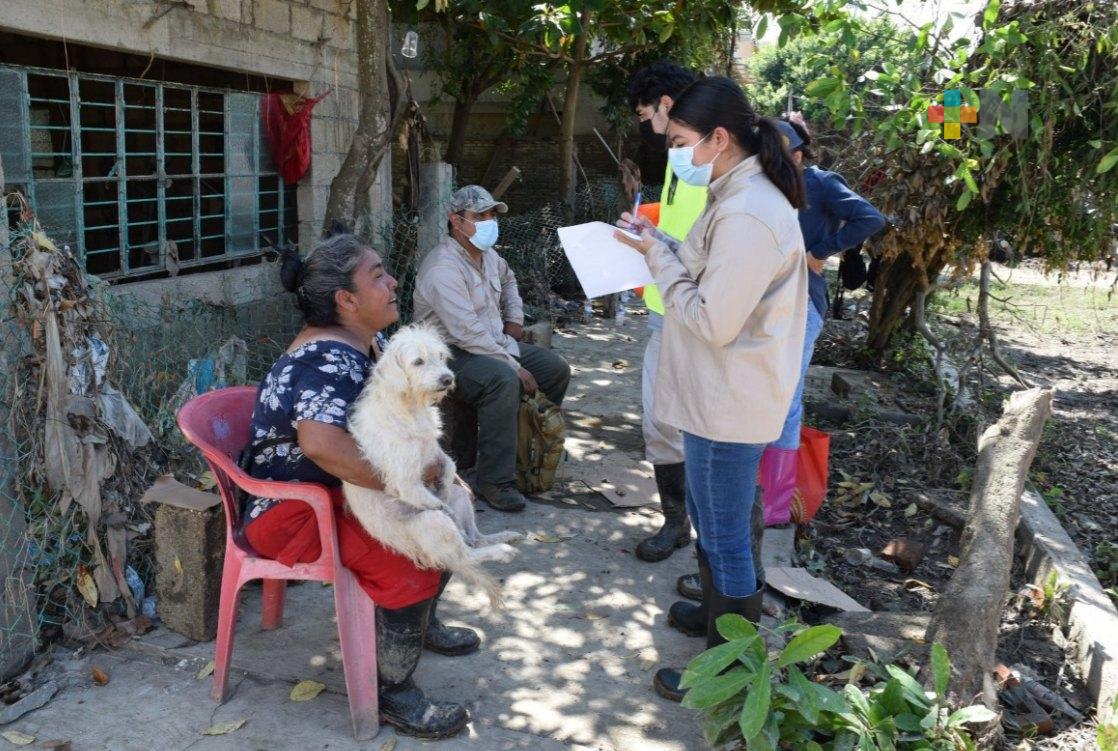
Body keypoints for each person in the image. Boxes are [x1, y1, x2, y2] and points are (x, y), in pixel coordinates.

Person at [614, 77, 808, 702]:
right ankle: (716, 618)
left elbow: (711, 317)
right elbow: (711, 273)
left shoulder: (750, 211)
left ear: (719, 139)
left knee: (724, 532)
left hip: (731, 402)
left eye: (679, 141)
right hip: (713, 395)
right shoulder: (735, 194)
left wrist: (659, 261)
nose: (672, 152)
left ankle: (727, 668)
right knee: (707, 516)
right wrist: (659, 244)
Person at [242, 234, 474, 739]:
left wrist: (436, 481)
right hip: (294, 512)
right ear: (346, 300)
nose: (392, 282)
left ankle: (418, 625)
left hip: (342, 493)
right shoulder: (325, 359)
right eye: (378, 275)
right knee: (412, 552)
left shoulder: (369, 344)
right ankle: (394, 693)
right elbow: (323, 447)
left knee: (450, 515)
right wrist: (410, 488)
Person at [759, 116, 885, 527]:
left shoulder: (821, 182)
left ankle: (775, 506)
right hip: (761, 304)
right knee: (758, 396)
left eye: (780, 156)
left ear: (798, 154)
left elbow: (871, 219)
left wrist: (822, 251)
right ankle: (752, 493)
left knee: (785, 401)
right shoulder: (764, 187)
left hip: (802, 305)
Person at [413, 185, 571, 512]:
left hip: (489, 345)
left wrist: (513, 321)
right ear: (456, 221)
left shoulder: (487, 256)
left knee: (554, 370)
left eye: (491, 215)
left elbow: (509, 280)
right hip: (446, 357)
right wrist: (514, 364)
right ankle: (494, 481)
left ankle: (524, 452)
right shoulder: (442, 267)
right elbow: (466, 333)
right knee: (503, 380)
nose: (488, 222)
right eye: (479, 216)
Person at [625, 61, 702, 565]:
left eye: (644, 114)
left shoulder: (712, 162)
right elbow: (683, 228)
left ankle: (715, 551)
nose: (645, 126)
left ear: (667, 105)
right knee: (660, 423)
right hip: (666, 312)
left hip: (703, 316)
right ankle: (676, 523)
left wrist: (656, 242)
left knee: (709, 432)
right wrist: (649, 230)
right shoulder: (680, 160)